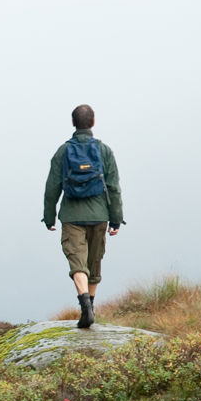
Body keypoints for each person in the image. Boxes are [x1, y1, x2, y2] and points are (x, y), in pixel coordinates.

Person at [43, 104, 125, 328]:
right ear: (93, 122)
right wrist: (116, 218)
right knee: (94, 264)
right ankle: (92, 308)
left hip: (72, 216)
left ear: (73, 123)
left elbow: (52, 187)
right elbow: (114, 187)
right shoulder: (104, 150)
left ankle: (85, 308)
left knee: (78, 263)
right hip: (99, 215)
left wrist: (49, 217)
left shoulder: (62, 151)